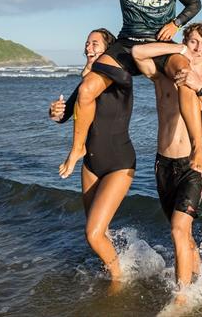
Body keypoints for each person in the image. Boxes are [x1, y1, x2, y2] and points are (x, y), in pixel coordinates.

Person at [44, 0, 202, 179]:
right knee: (87, 89)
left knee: (186, 77)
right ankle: (77, 149)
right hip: (126, 43)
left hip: (160, 45)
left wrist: (176, 23)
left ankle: (197, 148)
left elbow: (195, 3)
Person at [131, 21, 202, 302]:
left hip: (193, 167)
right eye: (194, 41)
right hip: (163, 164)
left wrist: (200, 88)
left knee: (177, 229)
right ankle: (198, 278)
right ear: (185, 41)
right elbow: (138, 53)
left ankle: (181, 297)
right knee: (183, 236)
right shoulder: (164, 76)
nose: (198, 49)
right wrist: (176, 49)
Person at [48, 28, 135, 287]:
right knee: (99, 231)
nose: (88, 47)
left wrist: (96, 65)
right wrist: (53, 111)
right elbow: (64, 117)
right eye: (86, 43)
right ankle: (110, 268)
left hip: (119, 163)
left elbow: (113, 74)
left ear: (108, 50)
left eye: (95, 43)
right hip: (92, 165)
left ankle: (119, 280)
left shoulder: (121, 78)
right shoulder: (86, 83)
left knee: (92, 234)